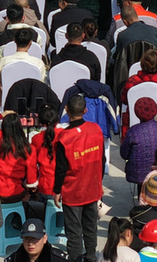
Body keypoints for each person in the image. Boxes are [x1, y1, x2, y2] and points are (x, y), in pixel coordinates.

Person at [55, 94, 106, 262]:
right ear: (85, 110)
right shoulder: (96, 129)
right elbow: (102, 159)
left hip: (73, 191)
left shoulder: (64, 137)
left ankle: (75, 259)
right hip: (92, 188)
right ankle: (91, 257)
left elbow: (61, 169)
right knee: (91, 227)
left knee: (74, 231)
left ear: (66, 110)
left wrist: (57, 190)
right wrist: (99, 183)